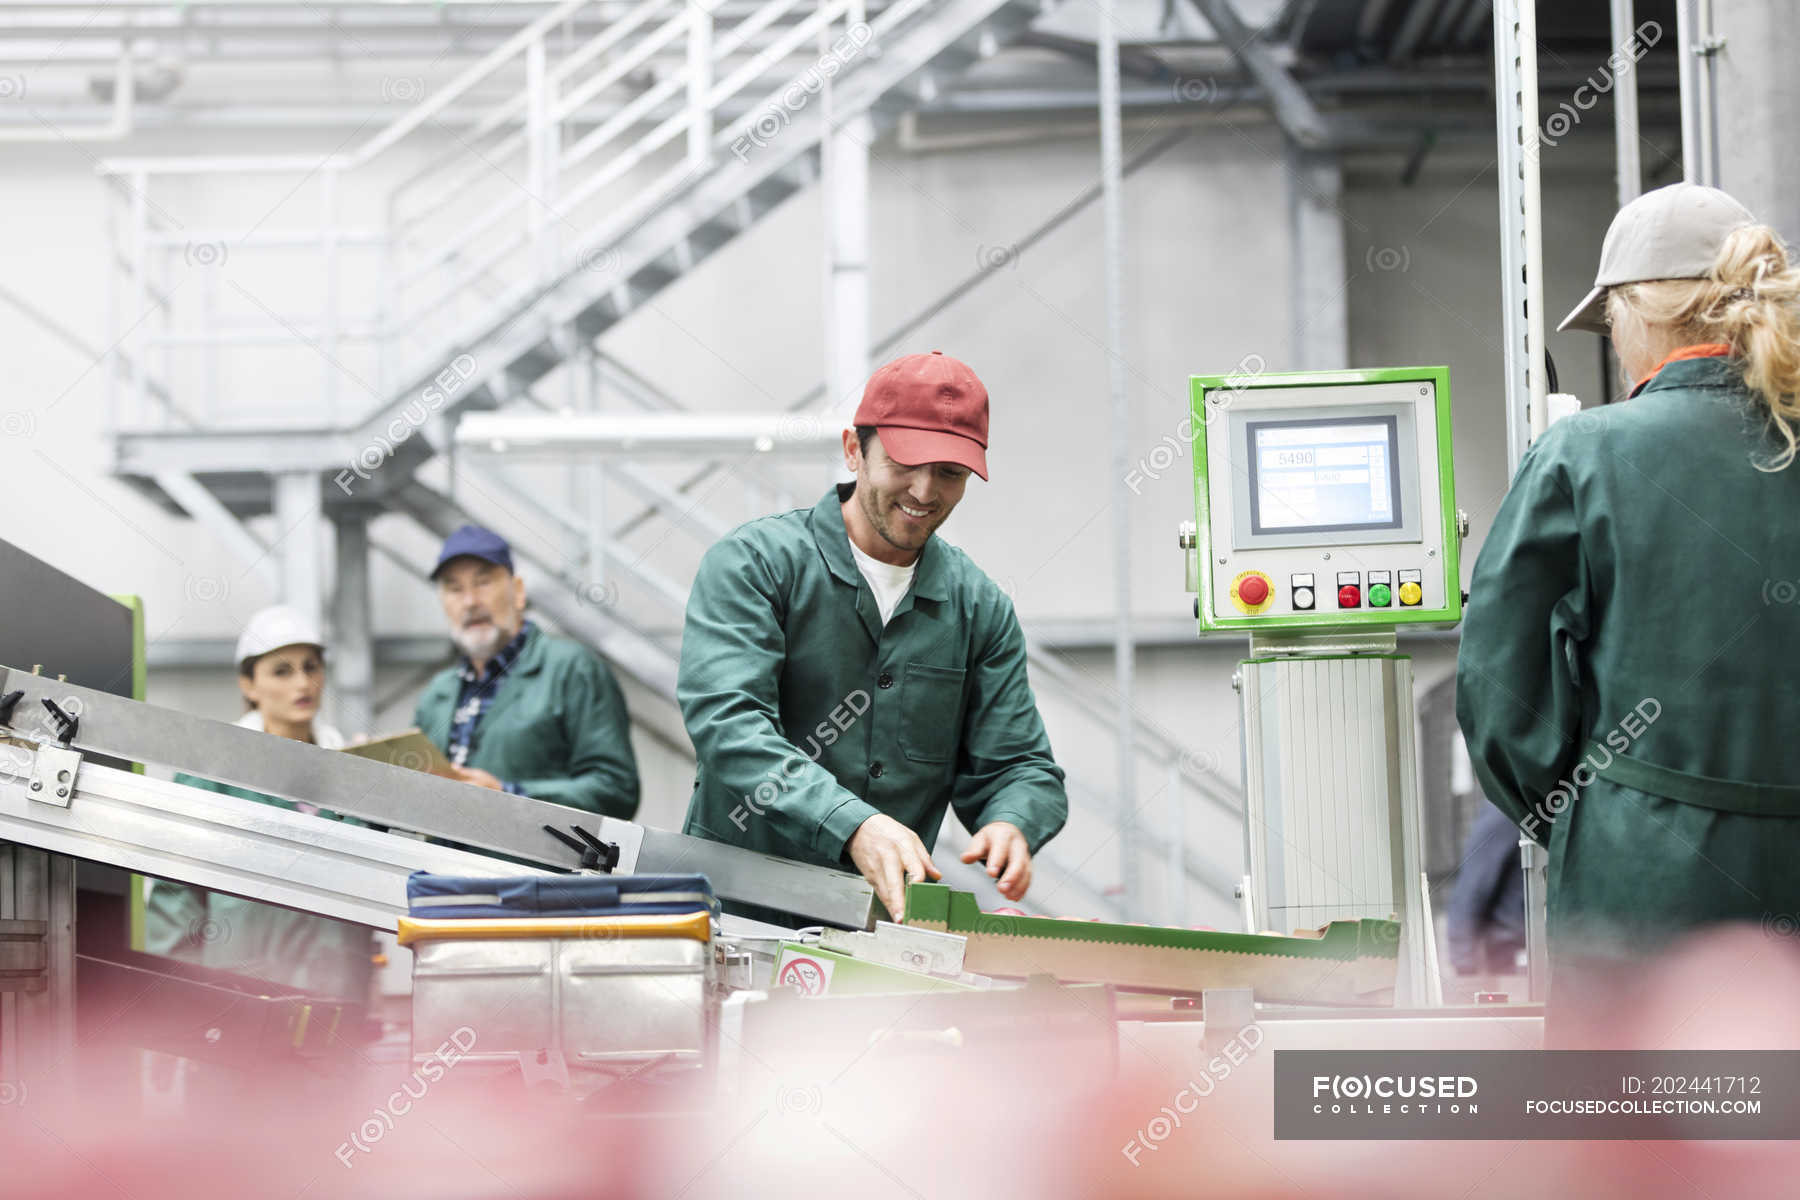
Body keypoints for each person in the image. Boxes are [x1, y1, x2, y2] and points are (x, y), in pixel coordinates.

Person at [1456, 182, 1800, 974]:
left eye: (1611, 323)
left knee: (1635, 1098)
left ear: (1639, 314)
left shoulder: (1585, 454)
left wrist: (1586, 814)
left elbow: (1498, 689)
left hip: (1640, 893)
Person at [678, 350, 1068, 923]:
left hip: (878, 925)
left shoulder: (979, 607)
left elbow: (1020, 765)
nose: (925, 491)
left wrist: (1013, 819)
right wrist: (850, 821)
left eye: (950, 473)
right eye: (905, 463)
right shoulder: (756, 565)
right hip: (735, 911)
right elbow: (729, 721)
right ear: (853, 449)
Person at [144, 605, 374, 1001]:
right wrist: (179, 1009)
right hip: (238, 1004)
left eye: (311, 666)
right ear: (249, 685)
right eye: (282, 671)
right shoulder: (212, 775)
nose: (302, 682)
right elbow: (175, 902)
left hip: (337, 996)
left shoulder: (353, 771)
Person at [414, 524, 639, 819]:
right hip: (438, 865)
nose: (470, 602)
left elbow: (616, 789)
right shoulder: (436, 694)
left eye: (483, 583)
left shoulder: (572, 669)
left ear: (518, 592)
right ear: (444, 604)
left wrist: (510, 794)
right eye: (455, 589)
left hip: (534, 865)